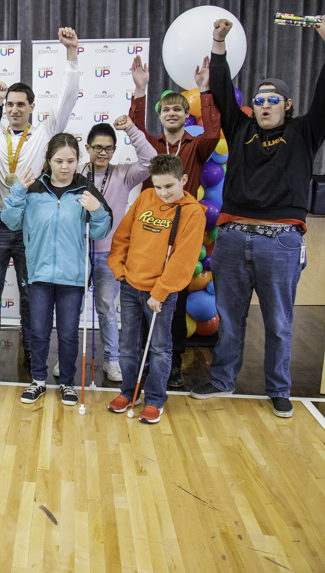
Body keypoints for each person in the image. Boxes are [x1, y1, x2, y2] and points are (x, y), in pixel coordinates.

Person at [189, 15, 325, 418]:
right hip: (233, 238)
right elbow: (221, 93)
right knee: (230, 318)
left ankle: (279, 389)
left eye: (273, 99)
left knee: (278, 322)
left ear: (287, 106)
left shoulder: (303, 133)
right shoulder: (241, 129)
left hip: (281, 241)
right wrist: (218, 45)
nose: (264, 105)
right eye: (259, 99)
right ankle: (222, 381)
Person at [0, 27, 83, 377]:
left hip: (31, 227)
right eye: (10, 104)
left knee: (32, 296)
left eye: (21, 104)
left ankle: (32, 351)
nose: (14, 109)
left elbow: (68, 98)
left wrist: (71, 55)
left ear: (32, 107)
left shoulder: (44, 132)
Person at [129, 55, 223, 388]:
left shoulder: (197, 147)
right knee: (142, 299)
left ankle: (172, 366)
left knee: (176, 298)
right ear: (160, 115)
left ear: (186, 114)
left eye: (178, 109)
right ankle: (141, 364)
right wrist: (140, 90)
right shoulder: (151, 144)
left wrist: (205, 90)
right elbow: (133, 128)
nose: (171, 113)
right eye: (166, 109)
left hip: (183, 229)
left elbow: (214, 129)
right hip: (150, 229)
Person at [1, 133, 112, 405]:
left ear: (78, 161)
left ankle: (67, 383)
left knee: (68, 332)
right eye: (59, 160)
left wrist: (97, 210)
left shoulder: (86, 190)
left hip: (71, 276)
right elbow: (11, 222)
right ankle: (38, 380)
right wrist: (17, 193)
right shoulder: (34, 188)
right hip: (38, 274)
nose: (65, 166)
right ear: (48, 161)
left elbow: (100, 230)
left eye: (71, 161)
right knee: (38, 330)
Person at [106, 154, 206, 423]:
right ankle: (130, 392)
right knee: (128, 346)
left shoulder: (193, 212)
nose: (163, 193)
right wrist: (120, 270)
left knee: (160, 348)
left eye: (169, 187)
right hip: (130, 285)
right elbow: (122, 236)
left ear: (183, 180)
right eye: (158, 186)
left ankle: (155, 399)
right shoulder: (146, 198)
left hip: (159, 294)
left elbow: (183, 260)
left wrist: (160, 292)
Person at [75, 114, 157, 382]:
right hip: (76, 252)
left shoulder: (123, 174)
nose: (103, 153)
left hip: (110, 253)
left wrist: (132, 130)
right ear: (87, 147)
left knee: (107, 308)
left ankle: (112, 359)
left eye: (109, 148)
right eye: (97, 147)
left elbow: (150, 161)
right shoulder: (75, 173)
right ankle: (68, 358)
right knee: (71, 307)